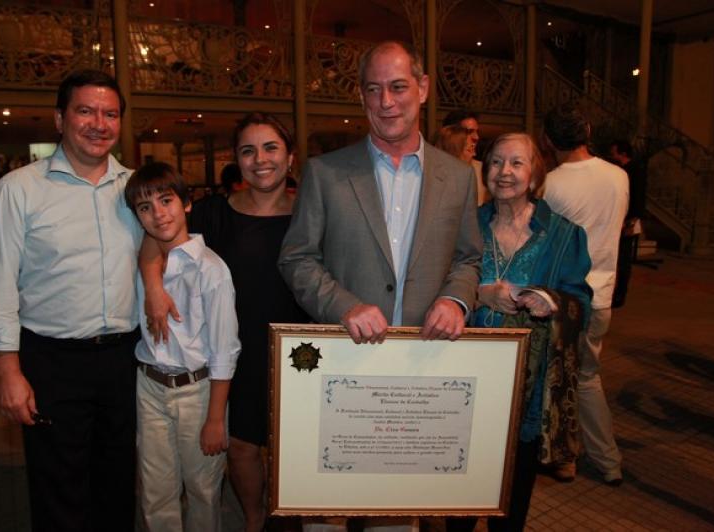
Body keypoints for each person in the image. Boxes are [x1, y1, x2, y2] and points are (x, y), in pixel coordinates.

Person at [278, 40, 482, 532]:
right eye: (374, 90)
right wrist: (343, 305)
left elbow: (468, 258)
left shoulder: (458, 177)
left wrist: (455, 299)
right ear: (362, 96)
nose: (386, 102)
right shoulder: (325, 173)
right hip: (340, 374)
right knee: (325, 510)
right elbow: (296, 258)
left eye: (397, 87)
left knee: (394, 515)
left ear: (423, 88)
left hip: (417, 376)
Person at [0, 69, 141, 531]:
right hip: (52, 363)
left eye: (110, 114)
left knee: (117, 483)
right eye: (85, 111)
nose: (99, 124)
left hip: (124, 361)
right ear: (59, 118)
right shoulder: (18, 190)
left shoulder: (135, 189)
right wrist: (8, 372)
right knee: (58, 491)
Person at [142, 112, 309, 532]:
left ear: (290, 156)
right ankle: (254, 519)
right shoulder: (212, 213)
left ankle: (288, 519)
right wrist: (153, 286)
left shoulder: (312, 214)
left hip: (301, 351)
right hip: (234, 350)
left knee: (297, 445)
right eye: (248, 150)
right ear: (236, 159)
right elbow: (154, 236)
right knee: (240, 446)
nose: (260, 159)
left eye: (271, 148)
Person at [446, 133, 592, 532]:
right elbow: (435, 286)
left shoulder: (563, 234)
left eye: (516, 162)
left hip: (528, 386)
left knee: (514, 490)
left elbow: (581, 301)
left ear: (535, 174)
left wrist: (551, 300)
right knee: (459, 484)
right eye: (495, 162)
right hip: (465, 380)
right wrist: (479, 294)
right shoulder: (464, 225)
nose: (504, 172)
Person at [125, 162, 240, 532]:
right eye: (145, 208)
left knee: (203, 490)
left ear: (187, 203)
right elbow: (152, 245)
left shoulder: (211, 269)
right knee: (155, 492)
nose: (158, 214)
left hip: (198, 391)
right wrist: (153, 286)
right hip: (150, 386)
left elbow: (225, 350)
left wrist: (215, 418)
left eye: (166, 201)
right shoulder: (144, 260)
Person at [543, 103, 628, 486]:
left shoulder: (551, 185)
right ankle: (597, 460)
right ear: (588, 132)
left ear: (548, 140)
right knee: (586, 375)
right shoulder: (618, 176)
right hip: (603, 293)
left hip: (567, 297)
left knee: (569, 379)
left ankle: (594, 458)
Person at [609, 139, 646, 307]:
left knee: (623, 259)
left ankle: (620, 295)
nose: (612, 156)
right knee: (620, 259)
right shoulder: (628, 170)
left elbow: (636, 198)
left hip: (627, 220)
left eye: (614, 153)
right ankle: (617, 293)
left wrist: (630, 220)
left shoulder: (632, 172)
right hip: (624, 219)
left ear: (622, 154)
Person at [442, 110, 489, 204]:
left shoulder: (482, 170)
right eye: (469, 132)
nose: (476, 137)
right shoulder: (433, 168)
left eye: (477, 132)